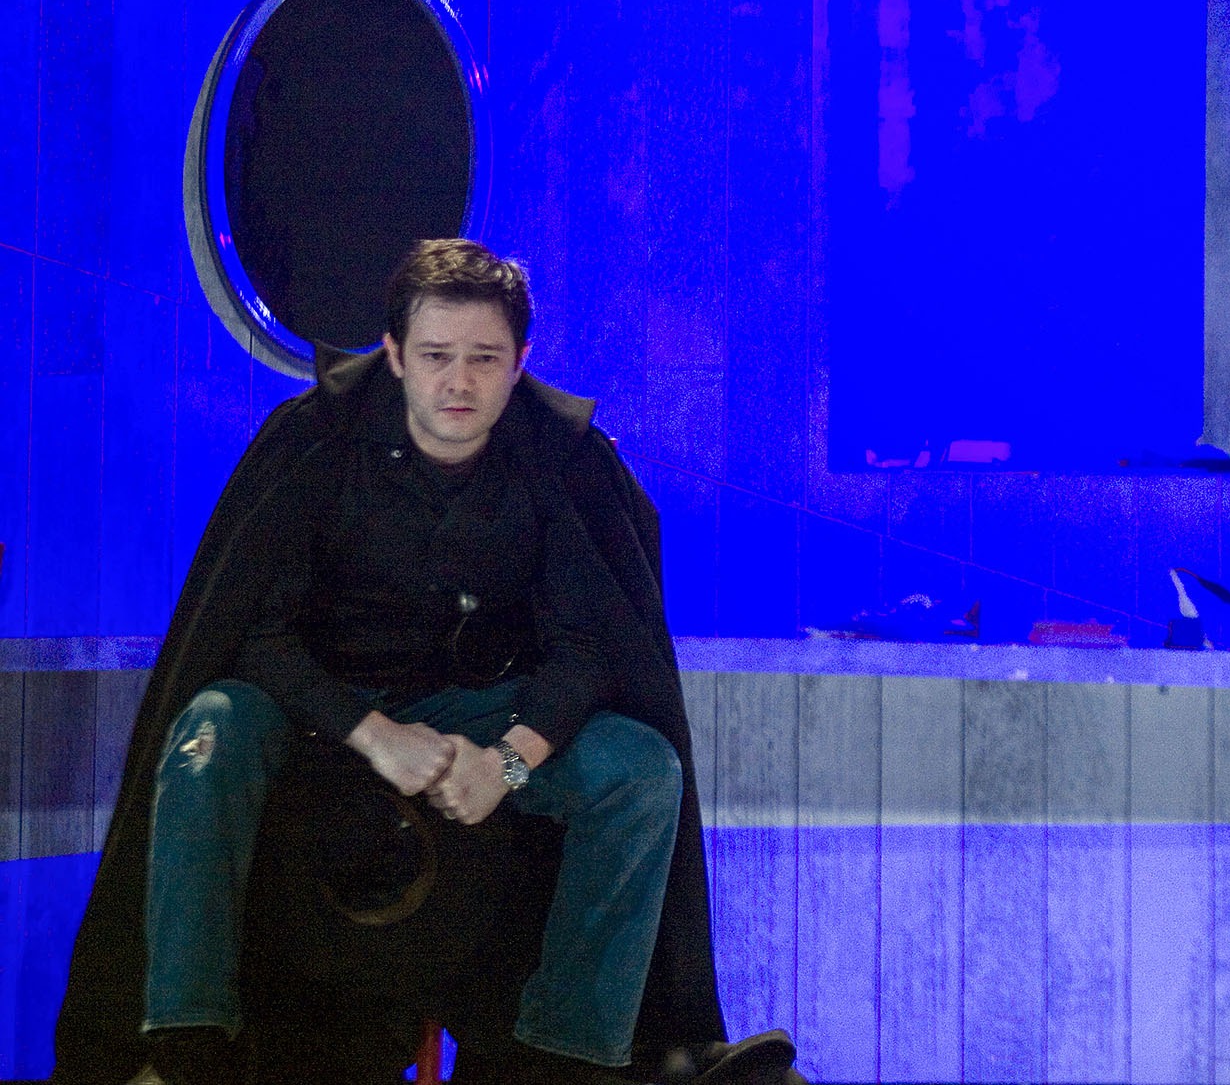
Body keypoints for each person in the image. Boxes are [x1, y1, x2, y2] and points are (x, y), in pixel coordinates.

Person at [53, 241, 798, 1085]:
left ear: (521, 361)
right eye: (437, 356)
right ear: (396, 354)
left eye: (484, 359)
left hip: (486, 713)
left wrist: (511, 762)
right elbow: (255, 632)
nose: (459, 382)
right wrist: (372, 734)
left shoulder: (561, 460)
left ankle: (560, 1056)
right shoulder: (315, 442)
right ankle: (190, 1043)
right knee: (211, 727)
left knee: (640, 768)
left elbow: (592, 644)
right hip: (322, 712)